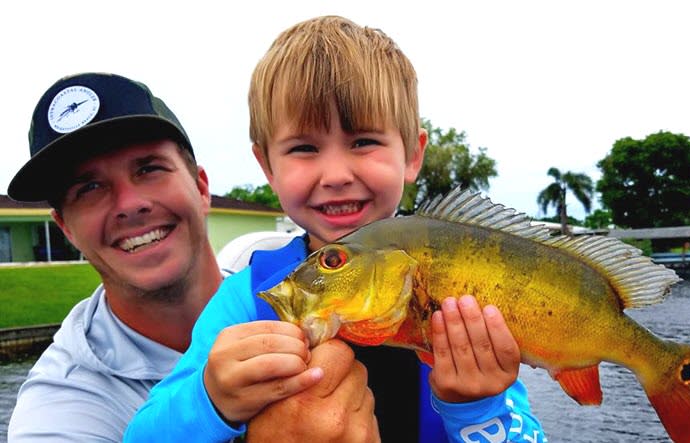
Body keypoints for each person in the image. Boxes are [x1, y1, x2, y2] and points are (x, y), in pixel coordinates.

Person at [127, 15, 546, 443]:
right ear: (267, 167)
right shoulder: (247, 300)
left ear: (412, 155)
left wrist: (477, 409)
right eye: (304, 148)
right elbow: (141, 436)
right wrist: (210, 398)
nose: (335, 174)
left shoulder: (463, 288)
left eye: (363, 141)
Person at [6, 72, 377, 442]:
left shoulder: (272, 279)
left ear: (202, 188)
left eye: (149, 168)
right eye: (88, 187)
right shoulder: (57, 415)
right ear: (65, 228)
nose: (130, 205)